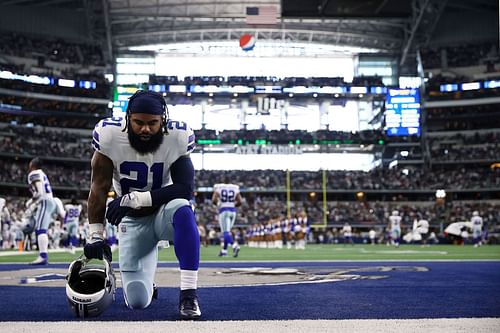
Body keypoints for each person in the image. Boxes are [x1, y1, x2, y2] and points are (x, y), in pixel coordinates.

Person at [83, 90, 201, 320]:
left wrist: (135, 199)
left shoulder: (177, 136)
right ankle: (147, 279)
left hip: (163, 212)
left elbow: (185, 188)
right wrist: (95, 235)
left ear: (163, 121)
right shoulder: (108, 135)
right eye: (138, 122)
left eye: (152, 123)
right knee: (137, 302)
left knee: (183, 209)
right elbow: (98, 188)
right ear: (128, 119)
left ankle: (188, 295)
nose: (145, 129)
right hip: (133, 222)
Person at [26, 158, 57, 265]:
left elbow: (39, 192)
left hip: (44, 201)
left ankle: (43, 256)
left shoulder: (34, 173)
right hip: (49, 200)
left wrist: (31, 203)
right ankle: (43, 255)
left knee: (40, 230)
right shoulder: (41, 173)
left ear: (32, 164)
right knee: (41, 229)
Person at [212, 180, 242, 257]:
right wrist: (233, 205)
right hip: (233, 211)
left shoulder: (219, 187)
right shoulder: (235, 188)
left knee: (225, 232)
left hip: (224, 210)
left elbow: (214, 199)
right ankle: (224, 251)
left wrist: (218, 204)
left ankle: (234, 245)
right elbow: (240, 201)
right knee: (227, 232)